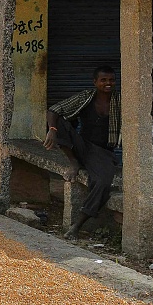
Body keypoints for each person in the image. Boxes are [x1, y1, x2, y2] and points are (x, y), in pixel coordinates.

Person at [44, 65, 121, 238]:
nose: (108, 83)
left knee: (102, 183)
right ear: (95, 82)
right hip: (82, 145)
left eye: (111, 80)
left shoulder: (120, 101)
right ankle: (74, 162)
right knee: (59, 122)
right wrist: (52, 129)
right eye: (103, 80)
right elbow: (54, 109)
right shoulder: (86, 97)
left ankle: (77, 225)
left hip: (102, 152)